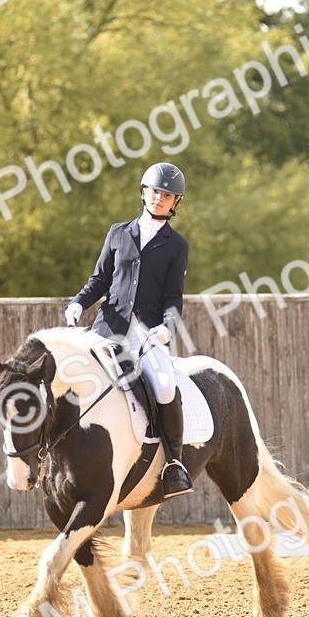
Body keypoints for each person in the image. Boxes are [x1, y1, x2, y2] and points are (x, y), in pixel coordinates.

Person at [64, 162, 192, 498]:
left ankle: (174, 464)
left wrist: (168, 326)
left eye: (167, 195)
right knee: (72, 378)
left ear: (175, 202)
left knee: (164, 389)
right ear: (144, 192)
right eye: (155, 191)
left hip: (148, 334)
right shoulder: (118, 233)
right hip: (109, 328)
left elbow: (173, 297)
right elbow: (100, 280)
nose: (159, 198)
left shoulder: (176, 245)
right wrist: (79, 302)